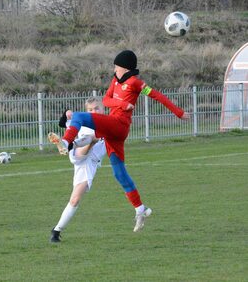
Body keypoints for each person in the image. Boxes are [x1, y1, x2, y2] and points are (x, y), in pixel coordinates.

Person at [49, 50, 190, 232]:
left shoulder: (136, 83)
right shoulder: (115, 81)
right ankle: (140, 209)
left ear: (124, 67)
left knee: (79, 117)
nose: (114, 68)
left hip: (119, 125)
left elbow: (157, 95)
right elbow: (106, 100)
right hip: (112, 130)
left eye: (116, 66)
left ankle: (66, 142)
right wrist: (123, 104)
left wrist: (178, 113)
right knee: (119, 173)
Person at [48, 97, 107, 243]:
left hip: (89, 163)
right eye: (90, 109)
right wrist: (67, 113)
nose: (94, 111)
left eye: (97, 108)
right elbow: (63, 122)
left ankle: (56, 231)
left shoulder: (109, 123)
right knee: (90, 137)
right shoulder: (84, 121)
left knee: (74, 200)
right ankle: (68, 144)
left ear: (104, 108)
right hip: (78, 155)